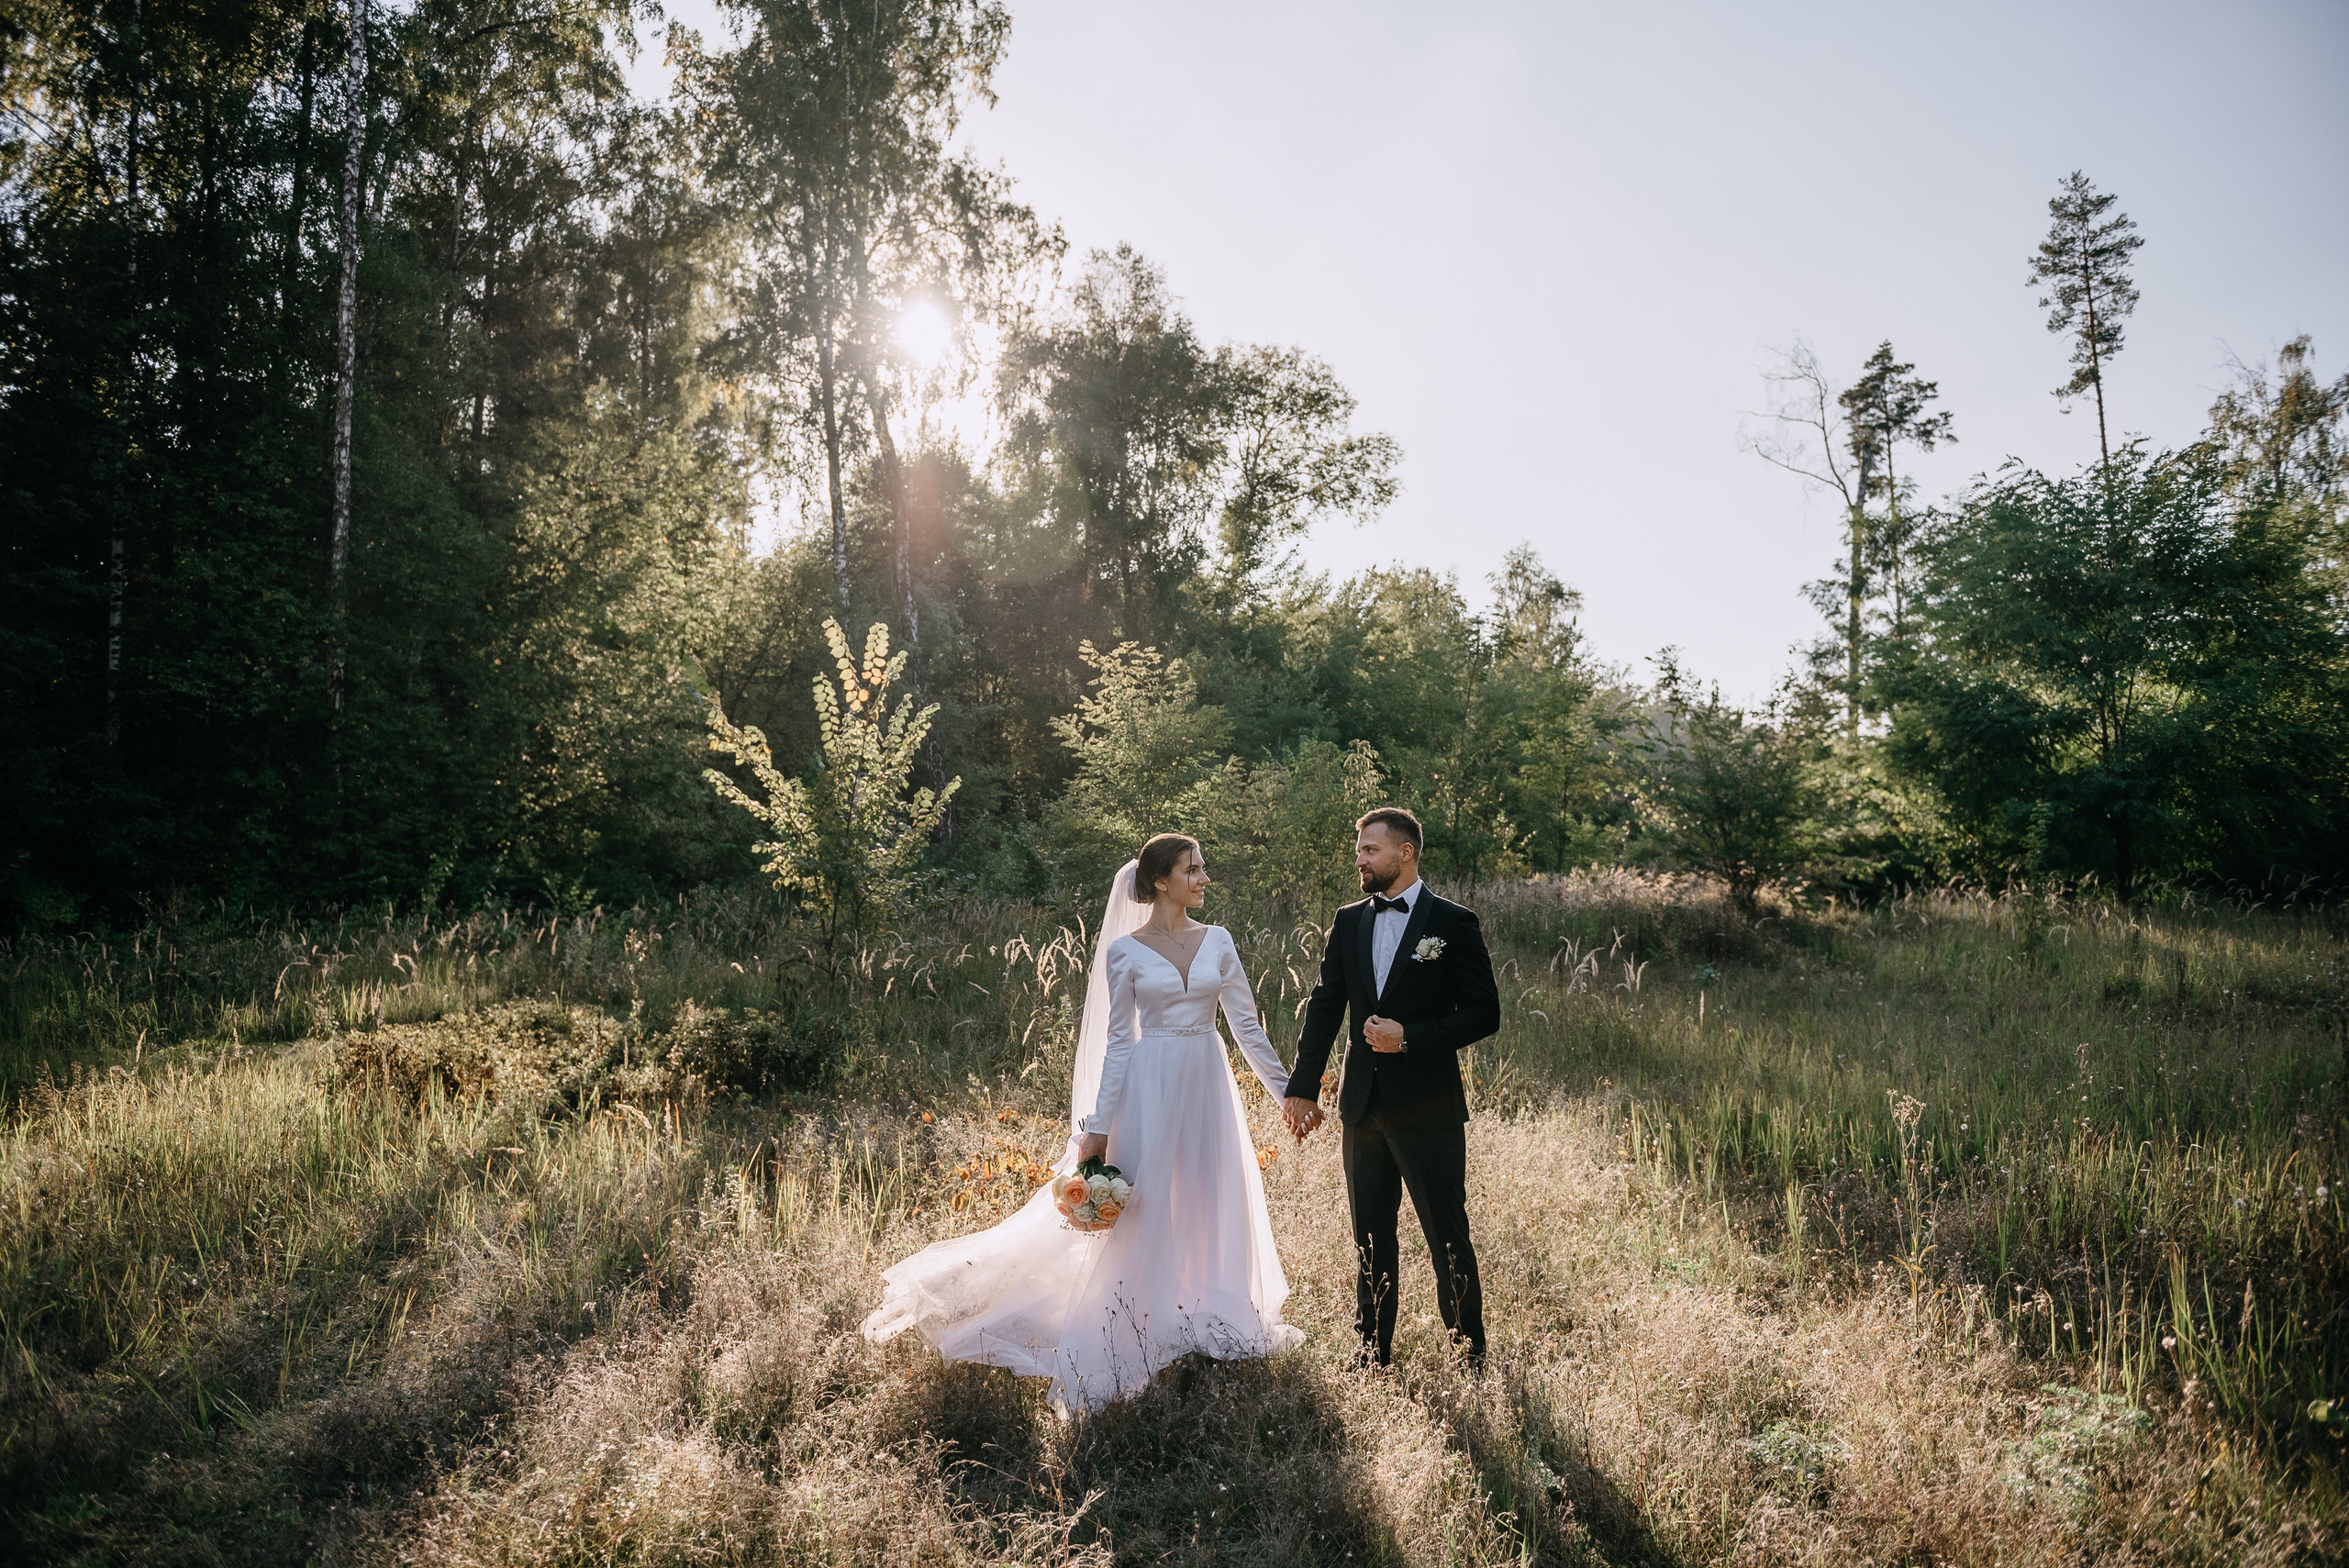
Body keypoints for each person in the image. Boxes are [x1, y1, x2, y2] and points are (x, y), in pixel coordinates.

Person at [861, 833, 1302, 1415]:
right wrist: (1096, 1126)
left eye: (1202, 869)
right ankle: (1136, 1323)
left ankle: (1203, 1309)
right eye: (1192, 870)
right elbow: (1120, 1046)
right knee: (1143, 1209)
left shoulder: (1218, 941)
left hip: (1208, 1085)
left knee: (1208, 1195)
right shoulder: (1125, 953)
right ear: (1160, 882)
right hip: (1150, 1086)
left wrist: (1289, 1095)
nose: (1203, 879)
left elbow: (1247, 1028)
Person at [1283, 807, 1501, 1370]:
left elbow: (1485, 1013)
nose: (1360, 859)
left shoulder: (1453, 924)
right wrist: (1303, 1088)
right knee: (1370, 1240)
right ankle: (1371, 1354)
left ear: (1406, 853)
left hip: (1428, 1107)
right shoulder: (1349, 919)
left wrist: (1411, 1038)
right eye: (1358, 850)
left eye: (1370, 850)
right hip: (1360, 1107)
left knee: (1447, 1236)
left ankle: (1468, 1355)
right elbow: (1326, 1005)